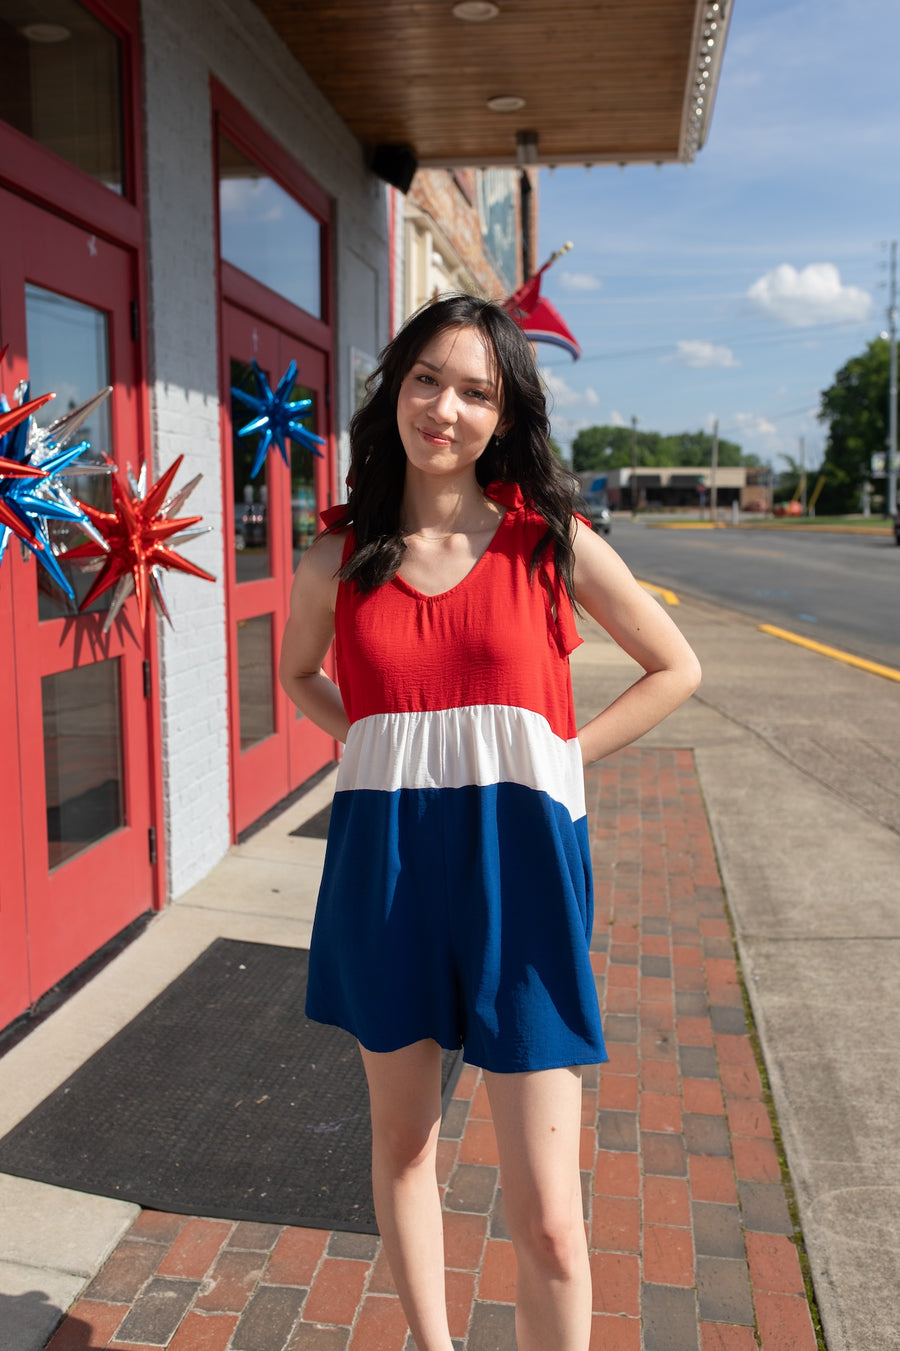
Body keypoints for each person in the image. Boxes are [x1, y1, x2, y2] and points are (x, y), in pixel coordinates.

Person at [279, 294, 701, 1351]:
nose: (447, 408)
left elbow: (675, 666)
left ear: (504, 416)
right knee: (405, 1147)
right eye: (428, 379)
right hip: (387, 874)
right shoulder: (339, 557)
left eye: (477, 390)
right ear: (396, 390)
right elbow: (295, 675)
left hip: (523, 878)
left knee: (552, 1218)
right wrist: (376, 745)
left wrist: (562, 758)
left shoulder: (548, 540)